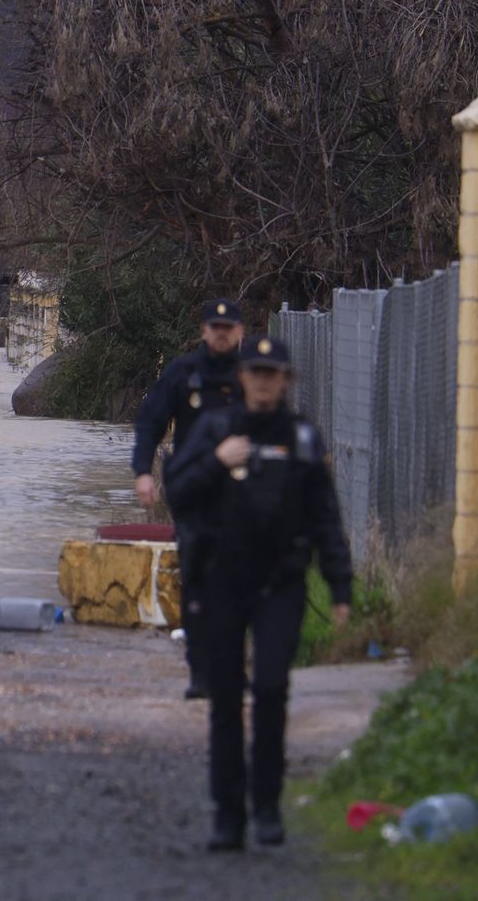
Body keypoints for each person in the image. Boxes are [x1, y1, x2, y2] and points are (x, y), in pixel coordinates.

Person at [163, 335, 353, 852]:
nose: (264, 382)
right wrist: (217, 461)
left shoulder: (302, 438)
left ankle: (267, 806)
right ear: (243, 378)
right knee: (225, 697)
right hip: (221, 582)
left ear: (286, 381)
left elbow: (325, 517)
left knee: (270, 688)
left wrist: (340, 586)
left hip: (280, 584)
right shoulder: (216, 429)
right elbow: (178, 493)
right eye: (256, 372)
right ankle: (229, 815)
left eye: (273, 374)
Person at [131, 297, 245, 698]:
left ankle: (233, 667)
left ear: (239, 332)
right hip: (193, 491)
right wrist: (143, 472)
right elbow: (151, 421)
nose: (221, 335)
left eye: (228, 328)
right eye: (215, 328)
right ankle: (200, 673)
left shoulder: (252, 374)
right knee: (196, 582)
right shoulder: (184, 373)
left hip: (240, 496)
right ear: (204, 332)